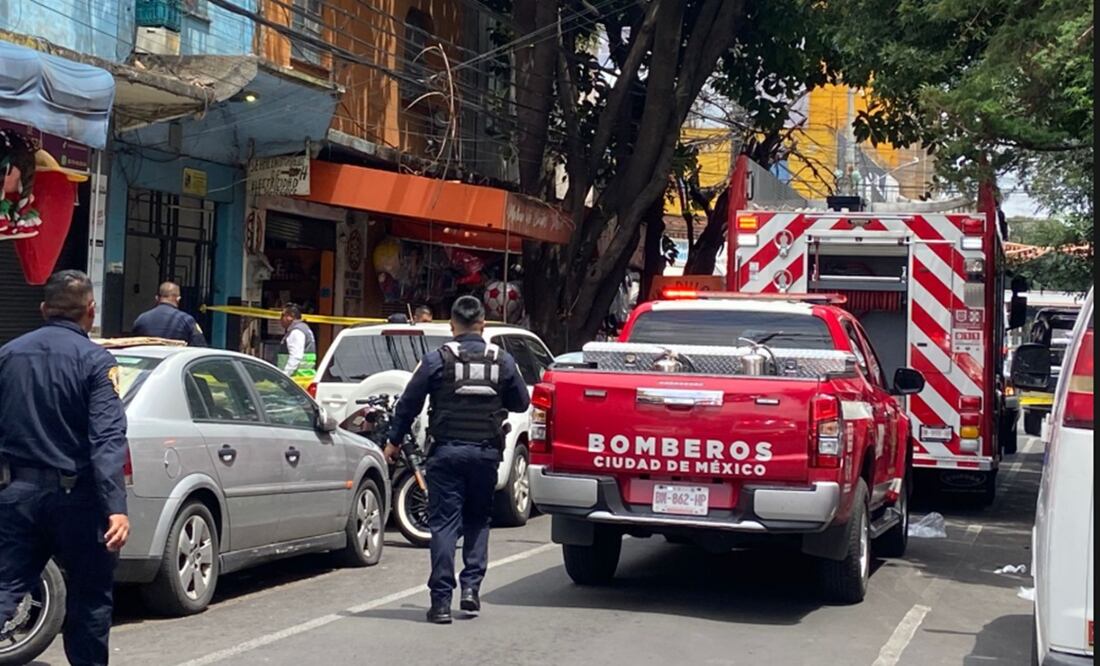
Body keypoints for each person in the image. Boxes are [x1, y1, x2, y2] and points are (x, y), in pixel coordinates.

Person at [0, 270, 130, 665]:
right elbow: (106, 439)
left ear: (43, 309)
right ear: (90, 312)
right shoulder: (95, 362)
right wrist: (116, 507)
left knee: (4, 587)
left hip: (16, 495)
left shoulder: (8, 355)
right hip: (79, 501)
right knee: (89, 600)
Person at [385, 296, 529, 624]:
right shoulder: (503, 361)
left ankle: (439, 603)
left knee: (444, 524)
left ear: (451, 326)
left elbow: (407, 404)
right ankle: (470, 590)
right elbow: (521, 403)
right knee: (478, 520)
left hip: (446, 454)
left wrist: (393, 442)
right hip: (485, 455)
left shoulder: (436, 360)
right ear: (484, 325)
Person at [131, 281, 207, 346]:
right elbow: (200, 347)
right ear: (178, 299)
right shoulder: (186, 320)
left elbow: (133, 344)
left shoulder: (141, 319)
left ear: (156, 298)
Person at [278, 303, 317, 385]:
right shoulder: (304, 328)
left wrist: (284, 376)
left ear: (290, 316)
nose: (280, 319)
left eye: (282, 315)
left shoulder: (296, 332)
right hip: (303, 379)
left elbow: (295, 357)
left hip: (296, 380)